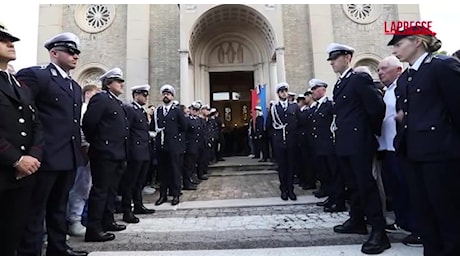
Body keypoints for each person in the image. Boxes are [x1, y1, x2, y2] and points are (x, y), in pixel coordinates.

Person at [388, 26, 460, 255]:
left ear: (417, 41)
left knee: (447, 215)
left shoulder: (442, 67)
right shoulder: (407, 77)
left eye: (399, 44)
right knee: (424, 214)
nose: (395, 49)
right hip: (413, 154)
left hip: (440, 155)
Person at [16, 32, 88, 256]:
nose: (75, 56)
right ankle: (31, 251)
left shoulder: (75, 87)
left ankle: (58, 248)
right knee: (36, 209)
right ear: (54, 53)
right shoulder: (38, 76)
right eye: (70, 51)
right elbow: (21, 110)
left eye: (77, 52)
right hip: (44, 155)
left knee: (59, 206)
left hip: (68, 156)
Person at [326, 43, 389, 255]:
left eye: (335, 57)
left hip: (358, 140)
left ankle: (379, 231)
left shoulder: (359, 78)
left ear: (347, 57)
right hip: (344, 141)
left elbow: (376, 107)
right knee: (352, 184)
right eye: (331, 59)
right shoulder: (340, 83)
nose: (332, 62)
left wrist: (367, 132)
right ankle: (357, 220)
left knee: (366, 185)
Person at [0, 22, 44, 256]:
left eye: (11, 39)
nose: (11, 43)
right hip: (7, 167)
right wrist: (16, 159)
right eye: (2, 39)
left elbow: (36, 124)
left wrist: (32, 157)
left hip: (23, 174)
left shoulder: (20, 85)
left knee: (13, 235)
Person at [376, 55, 420, 246]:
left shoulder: (404, 88)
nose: (380, 72)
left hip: (400, 148)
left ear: (398, 70)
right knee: (396, 189)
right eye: (378, 69)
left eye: (384, 68)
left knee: (409, 189)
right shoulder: (388, 91)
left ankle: (417, 228)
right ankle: (403, 221)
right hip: (386, 147)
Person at [82, 67, 129, 242]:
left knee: (111, 191)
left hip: (117, 153)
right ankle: (93, 229)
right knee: (100, 191)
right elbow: (88, 123)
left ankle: (108, 221)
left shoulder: (116, 101)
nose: (122, 84)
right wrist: (99, 143)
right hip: (104, 152)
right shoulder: (100, 98)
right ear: (108, 84)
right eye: (118, 81)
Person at [67, 84, 99, 237]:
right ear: (87, 94)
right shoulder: (84, 109)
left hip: (89, 152)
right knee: (81, 187)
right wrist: (85, 146)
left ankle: (79, 217)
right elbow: (82, 129)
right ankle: (74, 219)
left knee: (86, 186)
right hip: (83, 153)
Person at [309, 79, 346, 213]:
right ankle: (331, 197)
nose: (312, 92)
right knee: (326, 174)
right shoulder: (317, 106)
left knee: (334, 174)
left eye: (314, 89)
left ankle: (338, 201)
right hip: (320, 146)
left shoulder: (329, 104)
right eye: (312, 90)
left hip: (329, 145)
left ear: (322, 90)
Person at [120, 84, 156, 224]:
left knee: (140, 181)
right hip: (135, 151)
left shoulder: (141, 111)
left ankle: (138, 205)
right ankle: (127, 210)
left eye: (146, 95)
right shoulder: (130, 109)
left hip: (144, 150)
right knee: (130, 182)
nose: (146, 97)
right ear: (136, 95)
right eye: (143, 95)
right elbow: (127, 131)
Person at [151, 84, 188, 206]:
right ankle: (163, 195)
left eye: (168, 94)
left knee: (175, 171)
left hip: (173, 145)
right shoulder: (158, 111)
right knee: (162, 171)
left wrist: (174, 136)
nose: (166, 96)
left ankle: (176, 194)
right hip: (161, 145)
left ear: (172, 96)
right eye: (164, 94)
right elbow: (152, 127)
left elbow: (184, 127)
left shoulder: (177, 111)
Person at [266, 82, 299, 201]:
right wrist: (275, 138)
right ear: (278, 93)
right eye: (281, 91)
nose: (284, 93)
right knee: (282, 167)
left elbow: (298, 123)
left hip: (291, 141)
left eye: (285, 91)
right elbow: (269, 126)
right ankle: (283, 189)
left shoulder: (294, 107)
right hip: (279, 142)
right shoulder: (274, 108)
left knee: (291, 166)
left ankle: (291, 189)